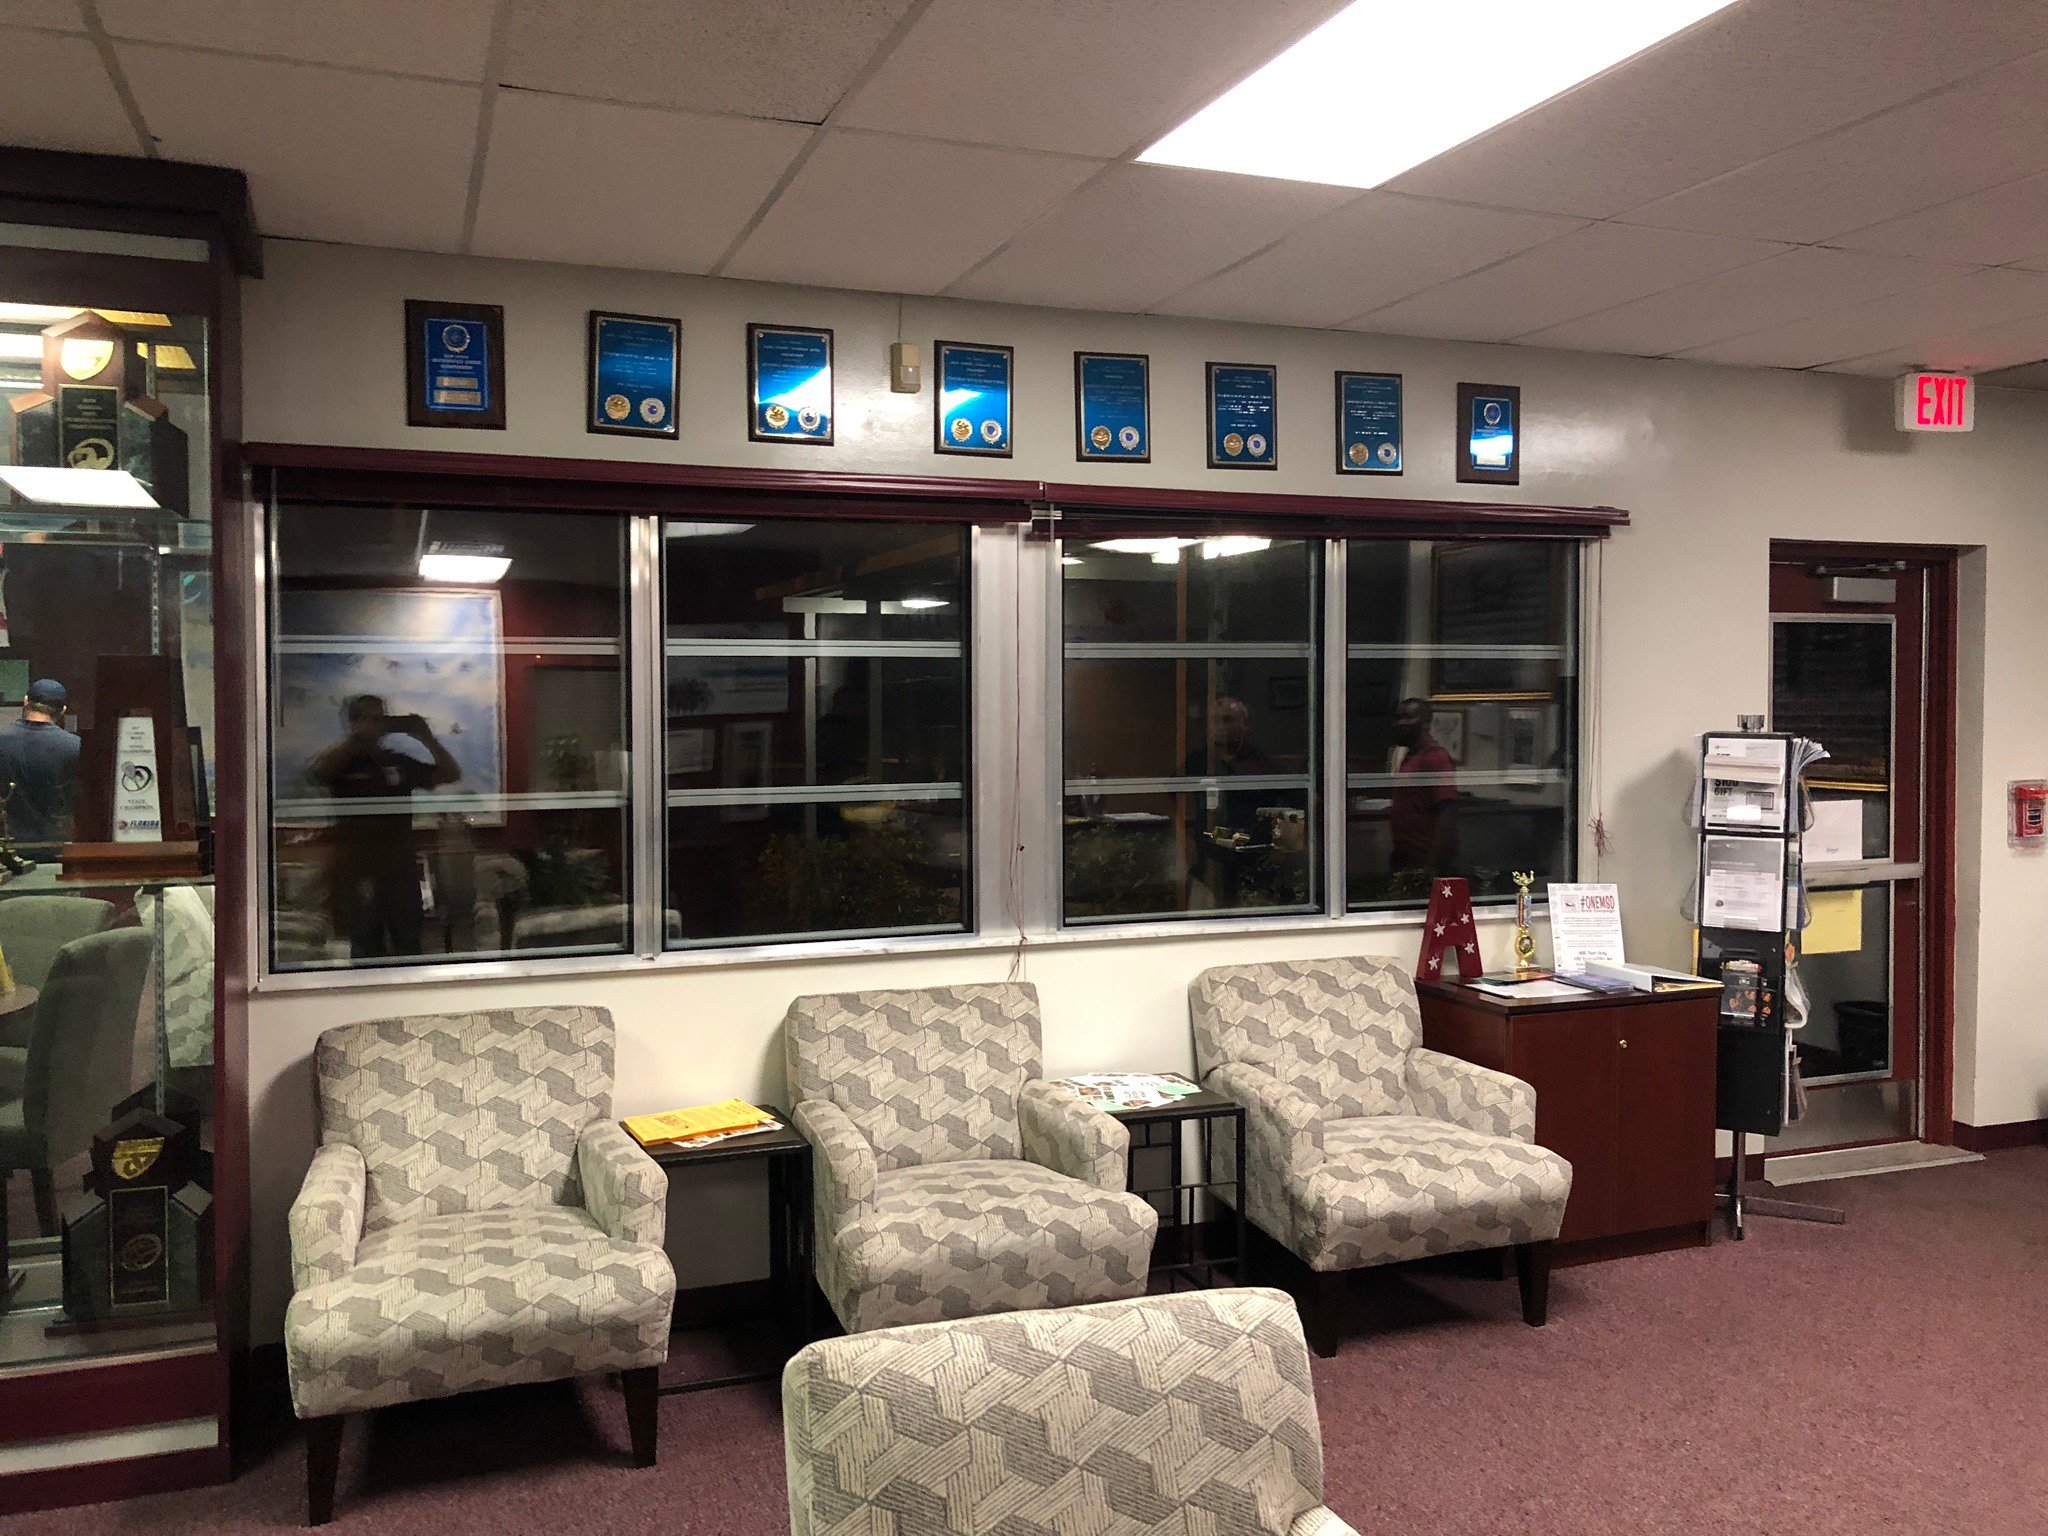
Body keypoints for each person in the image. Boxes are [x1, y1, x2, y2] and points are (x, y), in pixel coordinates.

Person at [307, 694, 460, 960]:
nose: (376, 724)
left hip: (400, 870)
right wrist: (358, 739)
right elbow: (317, 774)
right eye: (368, 717)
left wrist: (426, 737)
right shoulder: (344, 763)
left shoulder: (398, 761)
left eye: (380, 718)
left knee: (409, 947)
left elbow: (450, 774)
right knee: (365, 949)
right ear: (353, 722)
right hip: (358, 871)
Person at [0, 678, 82, 859]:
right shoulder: (76, 747)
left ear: (26, 701)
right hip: (58, 851)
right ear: (62, 710)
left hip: (7, 854)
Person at [1390, 697, 1459, 876]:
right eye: (1398, 717)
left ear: (1425, 723)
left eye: (1407, 717)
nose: (1399, 723)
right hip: (1405, 856)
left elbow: (1446, 813)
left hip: (1424, 859)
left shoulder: (1435, 758)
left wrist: (1430, 867)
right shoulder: (1410, 756)